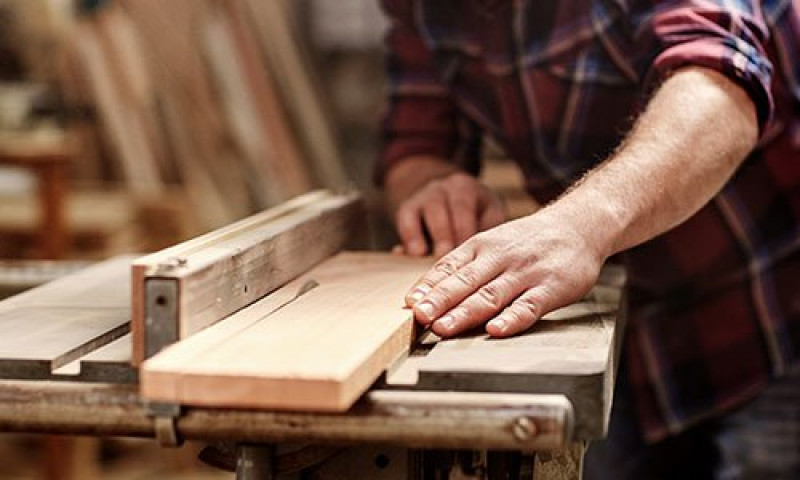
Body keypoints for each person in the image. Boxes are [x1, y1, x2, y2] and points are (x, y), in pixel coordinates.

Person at [377, 0, 800, 478]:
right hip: (633, 326)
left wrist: (578, 228)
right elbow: (414, 142)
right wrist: (431, 187)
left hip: (772, 308)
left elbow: (720, 88)